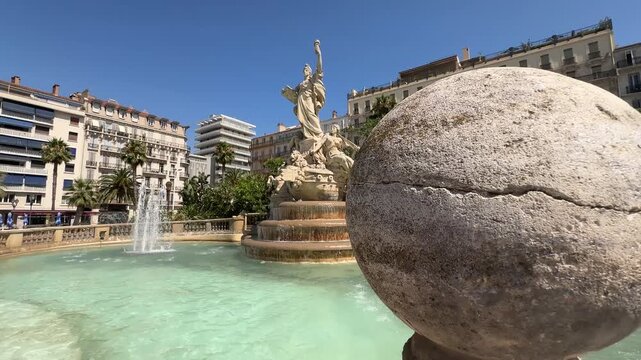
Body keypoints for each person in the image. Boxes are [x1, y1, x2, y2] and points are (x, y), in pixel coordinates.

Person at [282, 40, 326, 140]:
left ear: (310, 72)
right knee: (303, 120)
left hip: (308, 100)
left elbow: (319, 68)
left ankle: (318, 134)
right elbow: (293, 92)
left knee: (312, 116)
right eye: (304, 70)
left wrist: (319, 54)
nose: (304, 71)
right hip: (301, 101)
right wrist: (287, 92)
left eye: (306, 70)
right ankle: (307, 135)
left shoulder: (312, 79)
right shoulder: (300, 84)